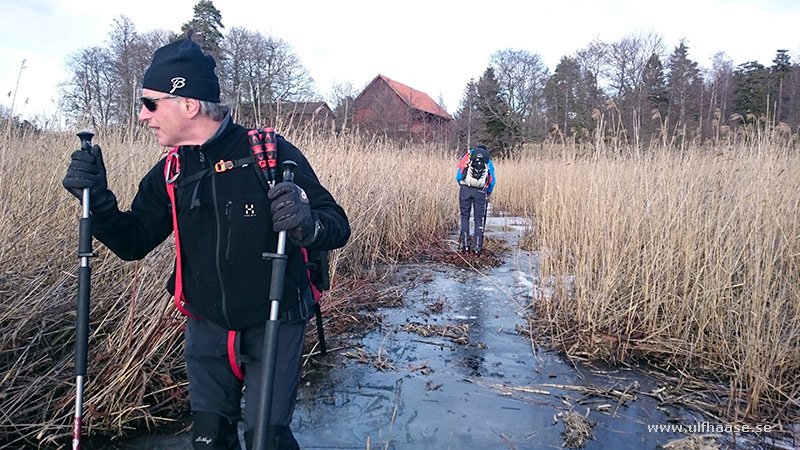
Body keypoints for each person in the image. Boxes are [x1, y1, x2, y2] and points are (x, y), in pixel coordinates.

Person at [62, 38, 350, 450]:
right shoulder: (171, 170)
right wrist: (97, 198)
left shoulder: (268, 153)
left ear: (188, 104)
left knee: (266, 439)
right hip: (206, 325)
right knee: (209, 440)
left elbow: (337, 225)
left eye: (150, 103)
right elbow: (132, 242)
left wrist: (306, 224)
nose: (143, 116)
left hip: (275, 319)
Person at [455, 145, 495, 255]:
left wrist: (464, 186)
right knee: (478, 219)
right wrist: (488, 191)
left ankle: (465, 247)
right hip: (481, 192)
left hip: (465, 190)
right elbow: (492, 181)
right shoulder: (488, 161)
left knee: (464, 217)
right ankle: (477, 248)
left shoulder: (468, 157)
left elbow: (458, 177)